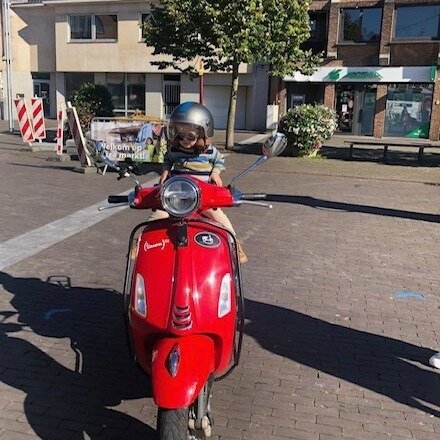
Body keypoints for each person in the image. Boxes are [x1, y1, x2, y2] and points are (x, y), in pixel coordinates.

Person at [149, 102, 248, 263]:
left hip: (204, 197)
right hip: (178, 197)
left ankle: (235, 244)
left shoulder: (209, 152)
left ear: (203, 135)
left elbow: (219, 161)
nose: (185, 141)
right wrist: (166, 171)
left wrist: (215, 173)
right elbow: (167, 159)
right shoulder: (174, 150)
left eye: (191, 137)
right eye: (180, 136)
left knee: (220, 219)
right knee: (157, 216)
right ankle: (141, 244)